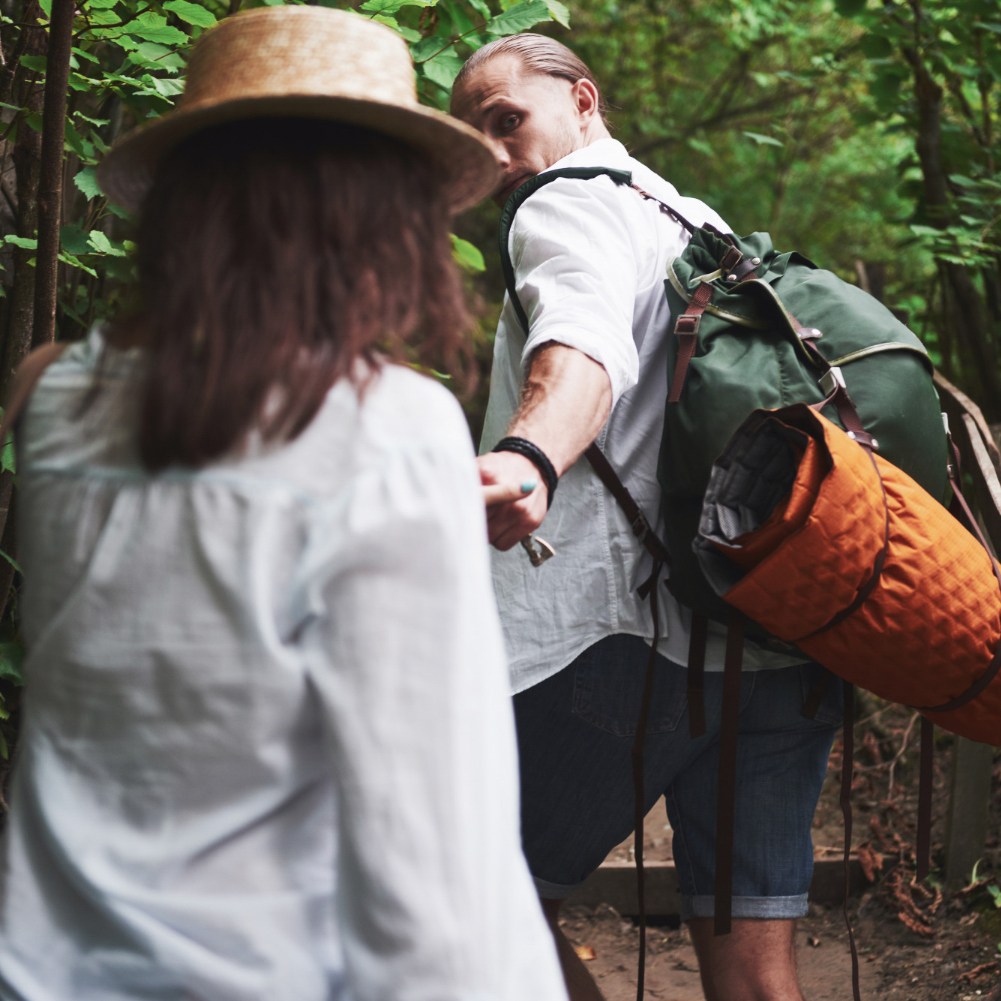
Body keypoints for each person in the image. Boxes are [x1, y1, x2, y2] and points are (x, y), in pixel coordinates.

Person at [0, 9, 569, 1001]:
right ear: (379, 214)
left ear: (184, 205)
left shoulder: (50, 398)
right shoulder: (387, 428)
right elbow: (434, 858)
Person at [452, 34, 843, 1001]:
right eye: (475, 138)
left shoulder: (566, 202)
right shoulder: (694, 221)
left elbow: (579, 343)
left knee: (468, 903)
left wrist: (530, 452)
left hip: (622, 648)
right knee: (757, 968)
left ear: (582, 101)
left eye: (509, 121)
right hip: (774, 646)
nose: (498, 154)